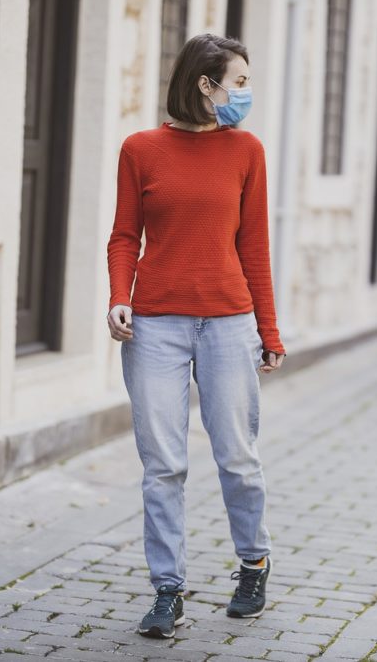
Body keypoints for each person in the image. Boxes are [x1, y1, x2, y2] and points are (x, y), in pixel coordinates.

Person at [105, 33, 286, 639]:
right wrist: (118, 299)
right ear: (205, 85)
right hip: (154, 325)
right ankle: (167, 590)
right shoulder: (141, 149)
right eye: (238, 82)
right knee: (162, 466)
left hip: (229, 324)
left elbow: (253, 245)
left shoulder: (247, 152)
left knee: (236, 455)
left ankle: (253, 564)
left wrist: (269, 329)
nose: (245, 93)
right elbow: (124, 236)